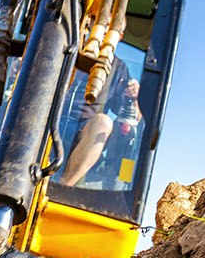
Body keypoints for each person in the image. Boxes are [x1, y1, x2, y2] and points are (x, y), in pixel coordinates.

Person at [58, 56, 142, 189]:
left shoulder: (119, 68)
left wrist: (136, 97)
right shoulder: (70, 45)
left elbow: (135, 118)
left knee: (103, 123)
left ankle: (61, 186)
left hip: (84, 130)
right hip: (49, 115)